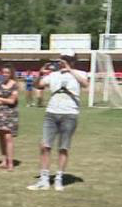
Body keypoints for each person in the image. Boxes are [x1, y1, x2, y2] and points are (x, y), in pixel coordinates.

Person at [28, 51, 89, 191]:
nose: (64, 62)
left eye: (68, 60)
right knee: (44, 146)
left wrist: (71, 70)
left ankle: (59, 179)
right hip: (51, 113)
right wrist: (40, 73)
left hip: (70, 113)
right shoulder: (53, 75)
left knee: (63, 147)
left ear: (73, 61)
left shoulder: (80, 73)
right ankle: (43, 180)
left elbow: (85, 84)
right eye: (62, 60)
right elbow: (38, 85)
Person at [0, 66, 20, 171]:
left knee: (8, 138)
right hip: (0, 114)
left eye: (7, 72)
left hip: (11, 115)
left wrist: (0, 98)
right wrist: (5, 100)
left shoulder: (15, 85)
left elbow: (12, 101)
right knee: (1, 137)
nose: (5, 74)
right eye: (3, 72)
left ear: (11, 73)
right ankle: (3, 161)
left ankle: (10, 163)